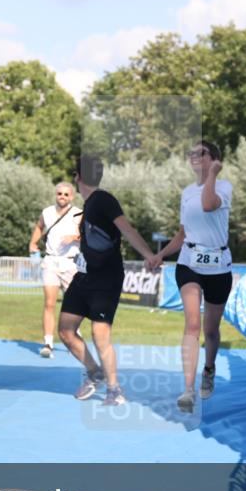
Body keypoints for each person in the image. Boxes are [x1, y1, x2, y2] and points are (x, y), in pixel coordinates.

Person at [59, 155, 159, 406]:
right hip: (83, 277)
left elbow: (127, 229)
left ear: (77, 178)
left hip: (106, 278)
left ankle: (115, 390)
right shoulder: (90, 205)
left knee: (99, 333)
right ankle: (95, 372)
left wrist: (149, 255)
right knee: (65, 330)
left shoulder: (103, 199)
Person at [153, 140, 234, 412]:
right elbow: (182, 233)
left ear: (214, 159)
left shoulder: (223, 187)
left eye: (201, 153)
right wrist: (161, 254)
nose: (194, 157)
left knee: (211, 330)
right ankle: (188, 389)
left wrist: (212, 175)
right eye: (191, 154)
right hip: (189, 262)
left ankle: (208, 369)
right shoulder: (186, 192)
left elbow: (210, 205)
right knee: (192, 325)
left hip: (218, 265)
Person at [28, 181, 83, 358]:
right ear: (56, 194)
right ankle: (48, 343)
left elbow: (90, 234)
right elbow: (39, 227)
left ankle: (74, 336)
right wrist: (32, 242)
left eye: (66, 194)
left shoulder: (78, 214)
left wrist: (75, 237)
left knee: (73, 304)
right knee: (49, 303)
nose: (62, 197)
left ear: (72, 197)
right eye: (60, 193)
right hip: (51, 261)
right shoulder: (47, 212)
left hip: (70, 263)